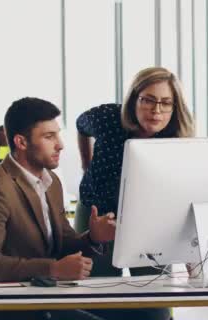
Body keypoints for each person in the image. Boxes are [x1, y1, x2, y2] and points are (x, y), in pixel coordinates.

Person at [0, 97, 116, 320]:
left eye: (58, 134)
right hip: (13, 308)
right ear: (21, 142)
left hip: (48, 297)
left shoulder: (51, 182)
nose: (60, 144)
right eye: (49, 136)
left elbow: (63, 244)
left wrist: (92, 237)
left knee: (147, 314)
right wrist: (53, 270)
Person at [74, 67, 194, 320]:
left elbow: (182, 197)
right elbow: (80, 125)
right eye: (148, 100)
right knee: (96, 297)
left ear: (175, 108)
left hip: (148, 221)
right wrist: (87, 162)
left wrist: (188, 251)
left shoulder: (178, 139)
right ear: (134, 98)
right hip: (98, 213)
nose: (156, 110)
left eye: (165, 103)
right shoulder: (108, 117)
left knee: (155, 306)